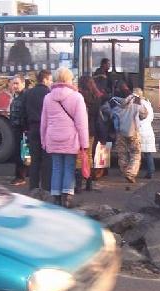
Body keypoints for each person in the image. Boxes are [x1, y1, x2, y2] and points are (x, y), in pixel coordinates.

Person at [40, 67, 88, 208]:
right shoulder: (77, 97)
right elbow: (81, 123)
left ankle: (55, 197)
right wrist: (84, 143)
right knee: (69, 167)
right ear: (69, 79)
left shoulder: (48, 97)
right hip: (70, 139)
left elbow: (44, 122)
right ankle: (66, 198)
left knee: (56, 167)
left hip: (53, 137)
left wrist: (43, 140)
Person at [23, 69, 53, 197]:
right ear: (45, 79)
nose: (51, 82)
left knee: (34, 159)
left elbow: (23, 112)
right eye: (50, 80)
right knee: (47, 159)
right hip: (46, 129)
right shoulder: (49, 94)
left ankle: (33, 187)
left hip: (32, 128)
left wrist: (26, 127)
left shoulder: (28, 93)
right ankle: (46, 187)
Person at [108, 90, 148, 183]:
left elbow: (110, 113)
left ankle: (125, 172)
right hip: (133, 131)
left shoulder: (115, 102)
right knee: (135, 153)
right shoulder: (137, 101)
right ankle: (130, 173)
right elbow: (144, 114)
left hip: (120, 132)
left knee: (122, 153)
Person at [78, 76, 108, 191]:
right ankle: (88, 182)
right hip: (91, 130)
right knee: (89, 155)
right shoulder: (96, 98)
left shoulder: (79, 96)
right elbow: (96, 117)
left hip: (79, 129)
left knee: (78, 157)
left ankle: (78, 183)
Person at [9, 75, 28, 186]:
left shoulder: (25, 96)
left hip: (21, 129)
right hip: (17, 128)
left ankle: (20, 177)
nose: (15, 86)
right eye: (13, 83)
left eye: (17, 83)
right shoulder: (17, 96)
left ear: (23, 84)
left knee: (21, 153)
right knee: (21, 153)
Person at [133, 87, 156, 179]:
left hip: (139, 130)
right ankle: (151, 171)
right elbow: (151, 118)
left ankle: (134, 172)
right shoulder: (148, 103)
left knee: (136, 153)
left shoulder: (137, 104)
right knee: (148, 153)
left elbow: (134, 117)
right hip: (148, 130)